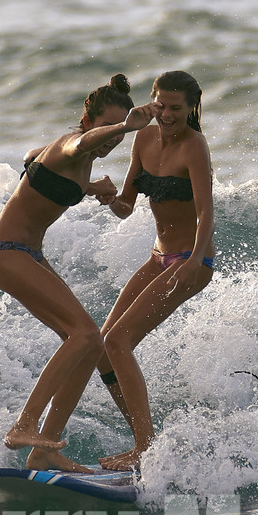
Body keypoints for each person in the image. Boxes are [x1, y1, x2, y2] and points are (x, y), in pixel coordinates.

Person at [0, 74, 159, 472]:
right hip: (7, 252)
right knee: (86, 333)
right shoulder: (72, 144)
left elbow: (33, 156)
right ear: (88, 120)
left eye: (120, 132)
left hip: (28, 254)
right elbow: (79, 144)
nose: (114, 138)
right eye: (108, 127)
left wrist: (91, 188)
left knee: (90, 344)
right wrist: (128, 126)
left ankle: (45, 449)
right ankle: (24, 425)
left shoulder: (75, 160)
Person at [93, 70, 215, 470]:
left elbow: (206, 212)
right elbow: (126, 207)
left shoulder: (194, 146)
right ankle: (144, 442)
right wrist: (108, 197)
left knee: (118, 342)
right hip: (158, 257)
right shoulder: (143, 140)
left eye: (176, 108)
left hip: (191, 260)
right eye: (160, 105)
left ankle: (144, 450)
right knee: (101, 348)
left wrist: (195, 260)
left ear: (191, 108)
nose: (166, 114)